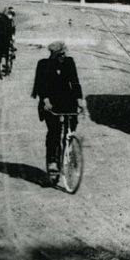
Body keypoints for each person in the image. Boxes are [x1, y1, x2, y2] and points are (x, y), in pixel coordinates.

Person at [31, 41, 85, 175]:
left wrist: (79, 99)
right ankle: (52, 160)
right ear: (54, 55)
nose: (63, 56)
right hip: (50, 102)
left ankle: (68, 151)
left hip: (67, 100)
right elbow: (40, 85)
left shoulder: (69, 62)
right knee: (54, 131)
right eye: (60, 54)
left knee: (71, 127)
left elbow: (75, 81)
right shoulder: (43, 65)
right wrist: (45, 99)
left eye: (64, 53)